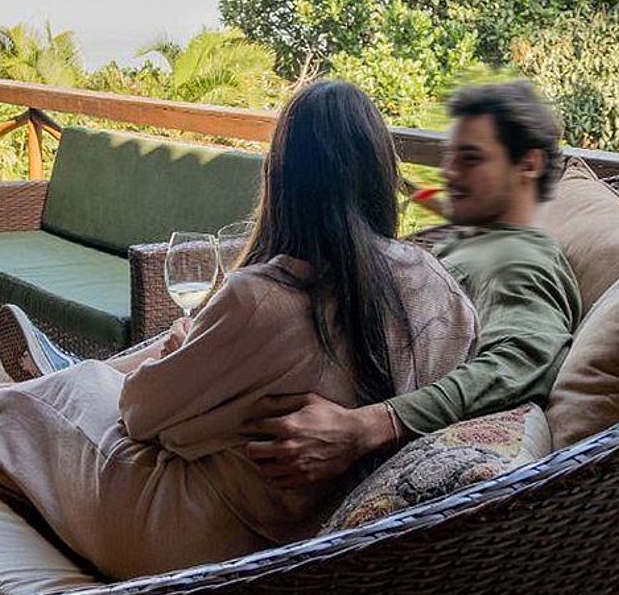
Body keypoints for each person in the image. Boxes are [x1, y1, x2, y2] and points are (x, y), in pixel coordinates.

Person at [0, 79, 478, 583]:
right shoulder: (435, 286)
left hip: (201, 541)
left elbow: (141, 417)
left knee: (68, 392)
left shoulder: (267, 299)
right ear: (379, 171)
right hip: (299, 537)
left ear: (284, 178)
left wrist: (174, 356)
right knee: (80, 386)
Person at [241, 78, 579, 498]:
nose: (449, 173)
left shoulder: (517, 255)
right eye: (450, 157)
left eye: (470, 159)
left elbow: (519, 361)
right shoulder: (466, 245)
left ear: (528, 165)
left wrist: (366, 426)